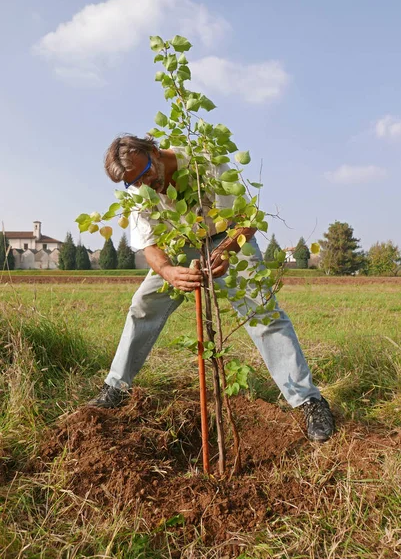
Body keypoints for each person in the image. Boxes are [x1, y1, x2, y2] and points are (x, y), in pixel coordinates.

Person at [89, 135, 335, 443]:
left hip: (229, 237)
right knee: (143, 305)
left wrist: (229, 251)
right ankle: (116, 386)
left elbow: (248, 218)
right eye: (133, 182)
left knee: (263, 313)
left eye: (146, 173)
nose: (144, 184)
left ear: (154, 151)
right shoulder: (141, 192)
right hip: (182, 245)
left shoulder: (206, 161)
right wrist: (167, 271)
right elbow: (150, 245)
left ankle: (308, 400)